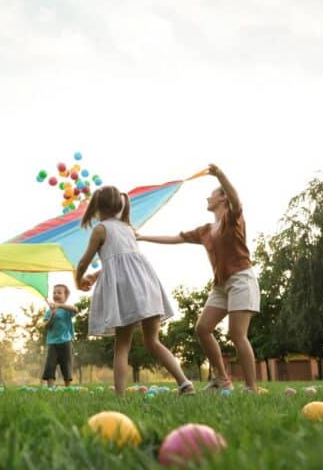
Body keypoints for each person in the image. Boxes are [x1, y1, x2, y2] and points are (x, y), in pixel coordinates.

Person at [137, 164, 260, 391]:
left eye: (212, 194)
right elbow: (176, 238)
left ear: (222, 199)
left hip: (241, 279)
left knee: (236, 334)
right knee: (203, 329)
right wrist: (142, 237)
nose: (207, 197)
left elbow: (237, 200)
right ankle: (222, 380)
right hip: (221, 285)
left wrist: (220, 175)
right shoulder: (205, 230)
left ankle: (251, 387)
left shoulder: (233, 218)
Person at [76, 185, 195, 396]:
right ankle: (185, 383)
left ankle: (120, 397)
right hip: (147, 287)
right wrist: (97, 275)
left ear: (97, 207)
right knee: (153, 341)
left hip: (127, 293)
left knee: (122, 346)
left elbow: (86, 260)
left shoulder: (101, 229)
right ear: (120, 205)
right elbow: (122, 261)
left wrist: (78, 280)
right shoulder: (128, 229)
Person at [42, 284, 77, 388]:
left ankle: (68, 387)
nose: (56, 294)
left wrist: (60, 306)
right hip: (52, 343)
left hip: (66, 342)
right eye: (54, 293)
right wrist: (52, 315)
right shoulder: (49, 311)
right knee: (50, 365)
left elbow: (75, 309)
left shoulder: (67, 310)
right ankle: (50, 388)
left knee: (66, 365)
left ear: (65, 296)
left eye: (59, 292)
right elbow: (46, 326)